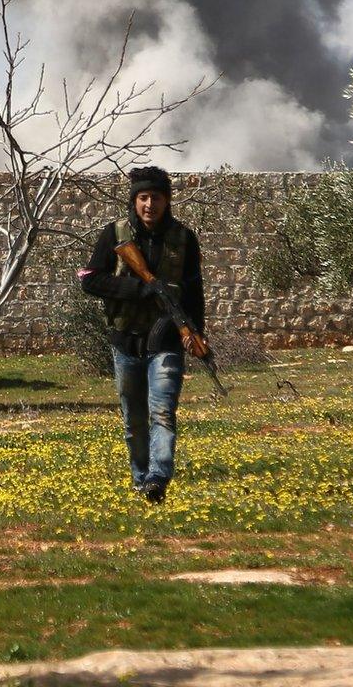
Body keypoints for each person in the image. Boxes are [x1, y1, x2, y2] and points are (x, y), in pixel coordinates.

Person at [77, 166, 207, 503]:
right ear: (134, 201)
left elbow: (194, 293)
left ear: (167, 201)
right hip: (126, 341)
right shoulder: (115, 235)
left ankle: (157, 479)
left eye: (157, 198)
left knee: (162, 413)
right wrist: (139, 288)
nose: (150, 204)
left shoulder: (184, 238)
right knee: (134, 420)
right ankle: (140, 479)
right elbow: (90, 279)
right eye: (144, 197)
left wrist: (195, 333)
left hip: (165, 343)